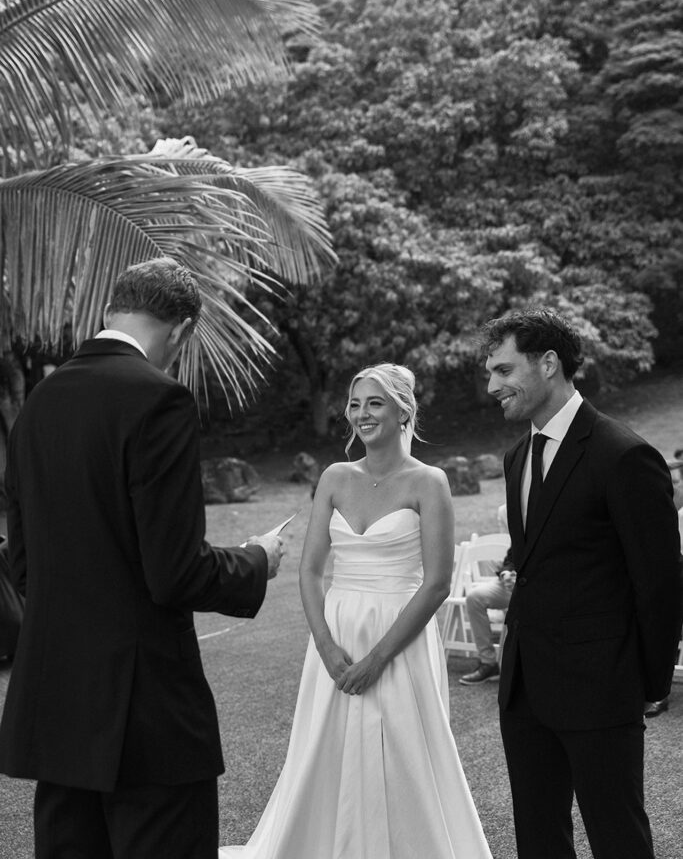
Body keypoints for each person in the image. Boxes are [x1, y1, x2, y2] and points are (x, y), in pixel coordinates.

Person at [0, 258, 283, 859]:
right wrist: (256, 560)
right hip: (146, 712)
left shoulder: (38, 405)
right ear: (181, 330)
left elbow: (24, 569)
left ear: (111, 310)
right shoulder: (158, 400)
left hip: (59, 708)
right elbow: (175, 572)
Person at [220, 362, 492, 858]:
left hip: (401, 637)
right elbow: (309, 572)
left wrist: (378, 658)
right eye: (354, 403)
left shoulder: (429, 482)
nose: (362, 413)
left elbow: (436, 584)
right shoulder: (334, 477)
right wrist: (326, 645)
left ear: (403, 411)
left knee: (405, 754)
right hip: (337, 637)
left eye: (375, 403)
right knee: (325, 748)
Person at [482, 309, 683, 859]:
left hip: (602, 688)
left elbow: (660, 580)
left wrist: (647, 683)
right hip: (524, 687)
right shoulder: (517, 456)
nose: (492, 386)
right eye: (490, 373)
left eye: (503, 370)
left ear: (548, 363)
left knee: (618, 838)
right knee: (538, 838)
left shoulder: (623, 453)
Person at [459, 544, 515, 685]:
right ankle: (488, 663)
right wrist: (506, 573)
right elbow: (511, 556)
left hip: (538, 582)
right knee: (474, 598)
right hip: (508, 581)